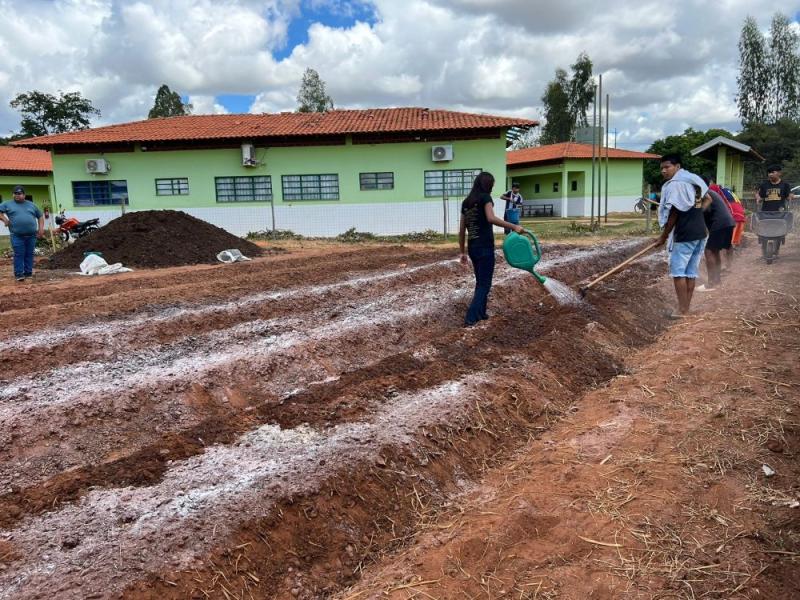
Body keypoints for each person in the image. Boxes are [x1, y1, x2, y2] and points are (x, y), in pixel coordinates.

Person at [458, 172, 524, 327]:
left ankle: (481, 313)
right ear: (488, 185)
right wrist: (514, 226)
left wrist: (462, 252)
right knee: (484, 284)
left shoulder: (466, 202)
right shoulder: (485, 198)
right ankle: (471, 317)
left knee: (481, 282)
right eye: (492, 185)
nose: (492, 189)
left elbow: (462, 229)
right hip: (485, 247)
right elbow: (491, 218)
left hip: (473, 247)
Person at [656, 155, 711, 318]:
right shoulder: (693, 179)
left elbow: (674, 213)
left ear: (677, 166)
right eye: (662, 168)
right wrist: (696, 214)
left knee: (679, 272)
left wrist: (663, 236)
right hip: (700, 231)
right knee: (690, 272)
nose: (663, 171)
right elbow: (709, 199)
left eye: (667, 167)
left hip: (685, 233)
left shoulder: (677, 184)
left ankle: (682, 310)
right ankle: (685, 309)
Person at [696, 176, 735, 291]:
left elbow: (702, 211)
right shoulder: (710, 192)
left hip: (720, 223)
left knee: (708, 251)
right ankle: (717, 281)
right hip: (727, 223)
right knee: (715, 251)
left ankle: (711, 283)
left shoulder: (704, 194)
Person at [0, 186, 45, 282]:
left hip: (32, 235)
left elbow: (40, 216)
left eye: (19, 193)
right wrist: (5, 219)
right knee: (19, 254)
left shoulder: (31, 205)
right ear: (13, 195)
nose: (17, 195)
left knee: (29, 254)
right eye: (15, 193)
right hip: (17, 235)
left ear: (24, 195)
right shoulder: (7, 204)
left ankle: (28, 273)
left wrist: (41, 229)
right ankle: (19, 274)